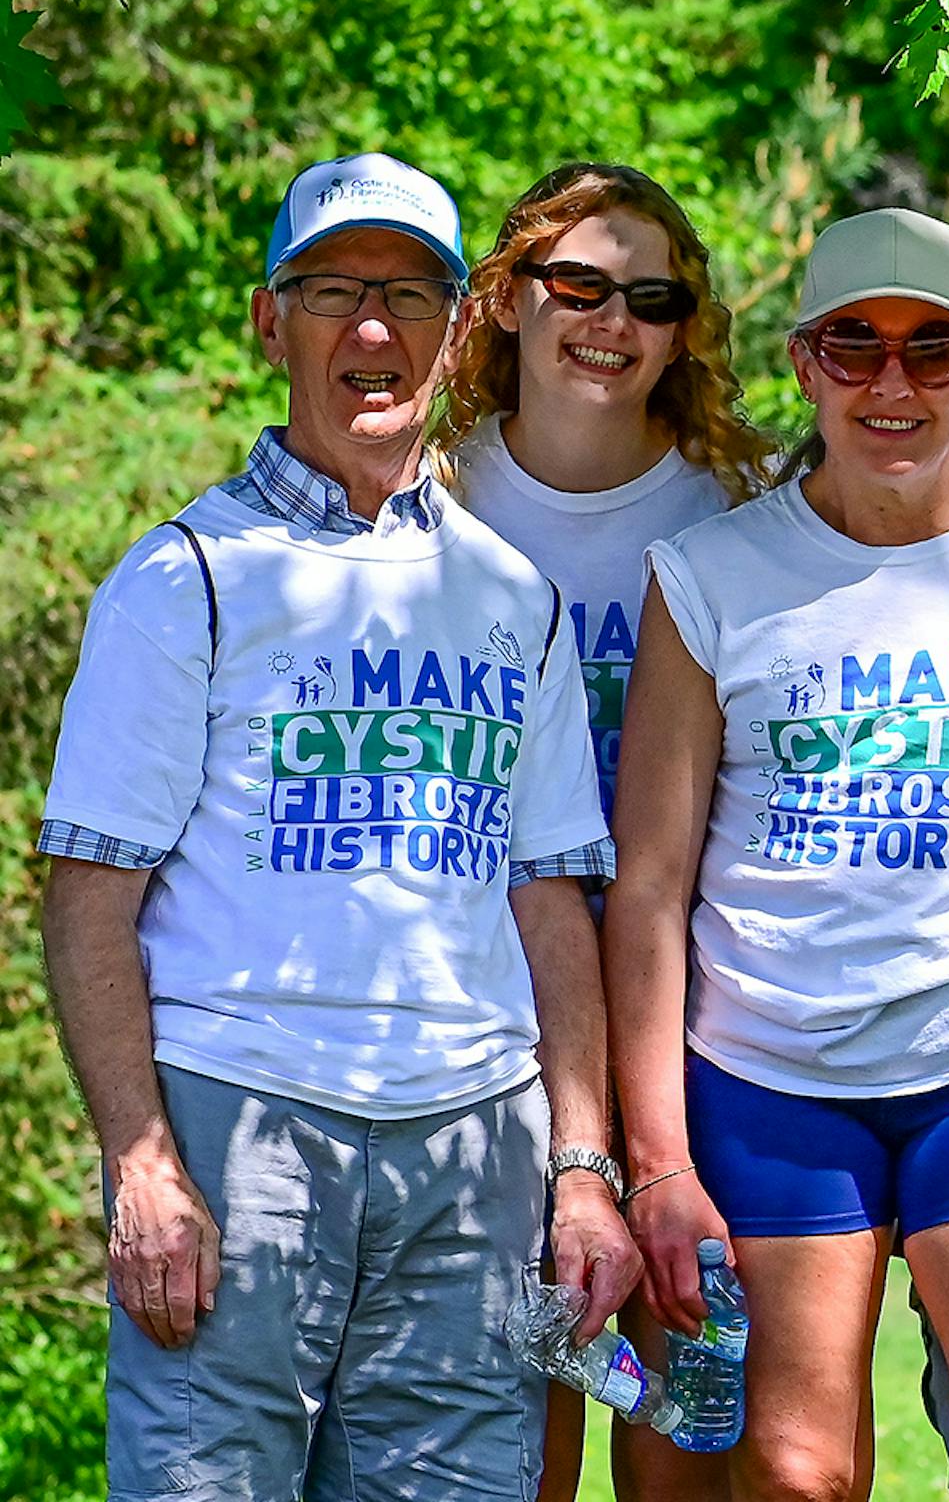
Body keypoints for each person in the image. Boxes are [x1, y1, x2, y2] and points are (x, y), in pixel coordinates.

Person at [40, 151, 633, 1501]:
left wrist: (584, 1166)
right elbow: (87, 899)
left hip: (475, 1154)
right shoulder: (183, 579)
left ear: (461, 320)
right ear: (269, 322)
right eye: (329, 292)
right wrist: (139, 1161)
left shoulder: (509, 596)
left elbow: (550, 901)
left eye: (411, 291)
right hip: (238, 1143)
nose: (374, 329)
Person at [605, 206, 949, 1502]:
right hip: (770, 1076)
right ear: (804, 365)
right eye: (854, 348)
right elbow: (648, 884)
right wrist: (661, 1159)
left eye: (931, 348)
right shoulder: (709, 573)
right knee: (800, 1475)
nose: (892, 383)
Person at [437, 161, 769, 1502]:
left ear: (686, 329)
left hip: (694, 1003)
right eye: (575, 285)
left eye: (651, 296)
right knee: (523, 1412)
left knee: (680, 1410)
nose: (609, 321)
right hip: (482, 1005)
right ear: (509, 301)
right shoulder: (425, 493)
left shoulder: (736, 511)